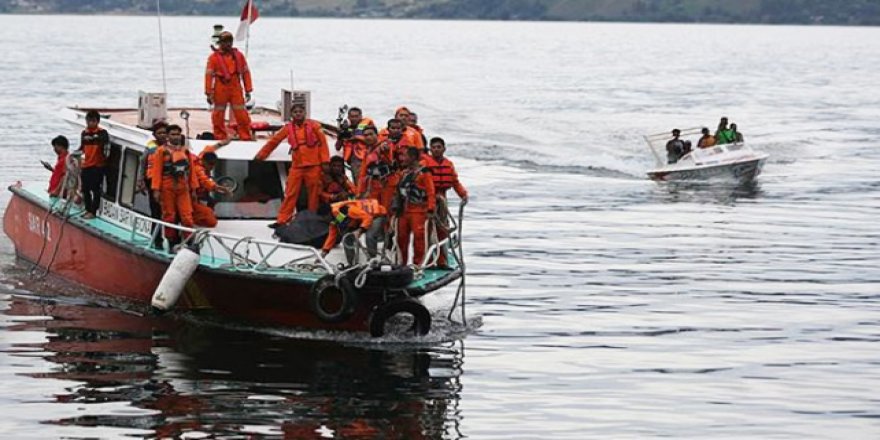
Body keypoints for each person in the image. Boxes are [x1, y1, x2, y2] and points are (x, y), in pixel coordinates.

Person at [255, 103, 329, 228]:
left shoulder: (314, 126)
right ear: (292, 114)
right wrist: (261, 155)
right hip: (297, 165)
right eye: (295, 112)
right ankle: (282, 220)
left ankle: (312, 218)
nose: (298, 114)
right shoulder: (287, 128)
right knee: (290, 192)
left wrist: (325, 161)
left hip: (314, 164)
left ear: (305, 113)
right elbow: (274, 141)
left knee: (314, 193)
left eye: (300, 111)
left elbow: (323, 143)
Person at [150, 125, 199, 250]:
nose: (175, 137)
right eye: (172, 134)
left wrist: (193, 188)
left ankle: (189, 242)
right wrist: (156, 189)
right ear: (167, 136)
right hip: (167, 186)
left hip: (183, 187)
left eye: (177, 134)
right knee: (169, 216)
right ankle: (171, 242)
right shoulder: (161, 151)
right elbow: (157, 171)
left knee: (187, 216)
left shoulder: (185, 151)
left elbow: (192, 171)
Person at [422, 137, 467, 267]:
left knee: (442, 229)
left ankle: (442, 260)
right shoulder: (424, 162)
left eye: (439, 147)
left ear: (444, 149)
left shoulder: (449, 164)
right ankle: (428, 261)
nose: (436, 150)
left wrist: (463, 194)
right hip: (425, 199)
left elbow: (454, 181)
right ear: (430, 149)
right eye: (434, 147)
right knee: (426, 231)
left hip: (441, 198)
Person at [205, 31, 254, 141]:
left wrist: (248, 89)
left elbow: (245, 72)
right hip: (220, 87)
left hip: (235, 86)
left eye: (229, 41)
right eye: (225, 41)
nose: (228, 44)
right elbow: (208, 76)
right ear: (220, 43)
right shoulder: (213, 58)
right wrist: (208, 93)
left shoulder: (239, 56)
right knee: (218, 115)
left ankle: (245, 136)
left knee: (242, 114)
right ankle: (220, 136)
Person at [394, 146, 436, 266]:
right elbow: (398, 192)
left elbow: (430, 192)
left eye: (405, 156)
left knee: (419, 238)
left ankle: (418, 265)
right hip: (404, 210)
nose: (402, 158)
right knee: (401, 238)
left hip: (418, 210)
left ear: (412, 157)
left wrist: (431, 209)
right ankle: (401, 264)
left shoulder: (424, 173)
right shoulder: (403, 173)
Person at [319, 198, 388, 264]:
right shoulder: (334, 219)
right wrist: (324, 252)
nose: (324, 220)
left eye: (324, 218)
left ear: (328, 214)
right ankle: (351, 263)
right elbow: (332, 236)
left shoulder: (346, 209)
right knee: (346, 238)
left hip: (376, 216)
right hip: (361, 219)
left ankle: (373, 260)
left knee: (369, 236)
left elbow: (367, 217)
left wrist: (360, 230)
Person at [137, 122, 168, 248]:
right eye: (159, 133)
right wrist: (141, 180)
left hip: (167, 182)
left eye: (164, 132)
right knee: (155, 211)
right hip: (152, 182)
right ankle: (157, 239)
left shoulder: (171, 147)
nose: (162, 135)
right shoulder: (150, 147)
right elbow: (142, 163)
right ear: (154, 135)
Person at [357, 125, 398, 212]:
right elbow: (363, 173)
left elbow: (387, 147)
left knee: (386, 210)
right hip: (373, 185)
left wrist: (384, 148)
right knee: (373, 210)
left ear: (377, 135)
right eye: (366, 135)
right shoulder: (367, 152)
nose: (368, 137)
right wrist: (360, 191)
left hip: (387, 184)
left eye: (371, 134)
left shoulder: (384, 145)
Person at [79, 110, 109, 219]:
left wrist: (93, 138)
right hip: (86, 165)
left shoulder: (102, 133)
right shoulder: (84, 133)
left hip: (97, 166)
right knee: (85, 189)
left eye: (93, 121)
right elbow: (82, 147)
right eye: (89, 121)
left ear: (97, 121)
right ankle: (87, 209)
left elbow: (105, 145)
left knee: (95, 190)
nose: (90, 123)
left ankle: (93, 211)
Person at [334, 106, 374, 181]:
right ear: (348, 117)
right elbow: (337, 147)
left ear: (361, 116)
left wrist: (356, 137)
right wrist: (340, 136)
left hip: (365, 156)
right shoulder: (345, 128)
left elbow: (373, 141)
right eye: (352, 117)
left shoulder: (367, 126)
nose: (354, 119)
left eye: (356, 116)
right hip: (351, 160)